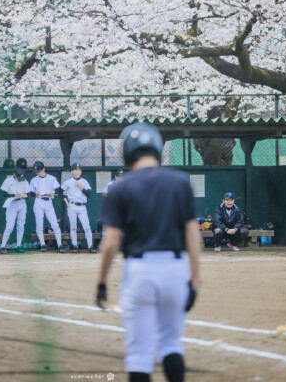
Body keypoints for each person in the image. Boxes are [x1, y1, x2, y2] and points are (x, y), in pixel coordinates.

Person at [96, 123, 201, 382]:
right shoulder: (180, 182)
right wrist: (194, 280)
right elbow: (192, 235)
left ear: (128, 152)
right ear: (157, 148)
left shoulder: (119, 188)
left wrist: (101, 282)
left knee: (140, 354)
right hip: (176, 269)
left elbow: (111, 242)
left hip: (140, 270)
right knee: (171, 344)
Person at [29, 161, 65, 253]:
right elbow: (31, 193)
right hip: (39, 201)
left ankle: (60, 245)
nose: (37, 172)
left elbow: (58, 189)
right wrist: (34, 193)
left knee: (55, 224)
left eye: (39, 170)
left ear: (43, 169)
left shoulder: (51, 178)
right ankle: (42, 244)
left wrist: (53, 191)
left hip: (48, 201)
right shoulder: (34, 180)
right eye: (36, 171)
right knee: (39, 224)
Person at [62, 163, 97, 254]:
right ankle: (75, 246)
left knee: (87, 227)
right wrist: (66, 201)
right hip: (72, 206)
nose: (77, 172)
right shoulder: (68, 181)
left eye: (79, 170)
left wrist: (81, 187)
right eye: (75, 170)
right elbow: (59, 191)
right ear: (72, 171)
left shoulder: (84, 182)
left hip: (82, 206)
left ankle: (90, 246)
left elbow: (88, 194)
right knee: (73, 227)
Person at [0, 166, 30, 254]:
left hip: (22, 203)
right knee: (9, 226)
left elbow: (27, 193)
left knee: (21, 225)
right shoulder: (8, 180)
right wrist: (14, 195)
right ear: (14, 175)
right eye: (19, 177)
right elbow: (5, 194)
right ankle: (2, 246)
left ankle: (18, 246)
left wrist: (25, 195)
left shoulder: (24, 180)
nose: (21, 179)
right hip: (12, 203)